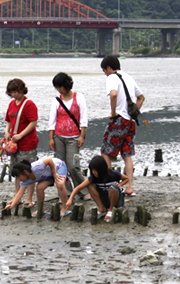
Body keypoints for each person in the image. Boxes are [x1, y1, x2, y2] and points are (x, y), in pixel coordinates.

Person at [100, 55, 145, 197]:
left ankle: (110, 183)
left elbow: (113, 94)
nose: (105, 74)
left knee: (106, 152)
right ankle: (129, 187)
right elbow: (141, 97)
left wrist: (113, 112)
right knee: (127, 154)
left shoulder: (112, 77)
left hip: (119, 120)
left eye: (104, 71)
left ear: (108, 68)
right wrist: (134, 113)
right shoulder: (128, 77)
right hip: (130, 121)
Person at [48, 72, 91, 202]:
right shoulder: (56, 100)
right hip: (59, 137)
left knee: (73, 166)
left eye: (60, 86)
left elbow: (84, 118)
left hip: (74, 137)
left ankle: (83, 190)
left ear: (66, 85)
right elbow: (52, 120)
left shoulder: (79, 97)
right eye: (56, 87)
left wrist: (82, 136)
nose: (58, 89)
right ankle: (66, 193)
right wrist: (51, 138)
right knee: (60, 167)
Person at [4, 78, 39, 207]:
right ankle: (17, 196)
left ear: (21, 90)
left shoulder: (29, 104)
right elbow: (8, 120)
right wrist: (7, 131)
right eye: (11, 93)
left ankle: (29, 198)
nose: (13, 95)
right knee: (17, 170)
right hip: (14, 144)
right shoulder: (12, 104)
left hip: (27, 143)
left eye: (15, 92)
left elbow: (33, 122)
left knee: (28, 171)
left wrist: (21, 135)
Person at [66, 156, 129, 223]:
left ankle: (111, 210)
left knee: (113, 186)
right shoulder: (93, 178)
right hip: (105, 199)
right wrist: (70, 199)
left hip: (117, 201)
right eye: (92, 170)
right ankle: (102, 208)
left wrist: (120, 184)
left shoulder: (113, 174)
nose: (94, 172)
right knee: (89, 185)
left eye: (96, 170)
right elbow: (78, 188)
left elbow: (127, 178)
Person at [5, 157, 70, 218]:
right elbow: (19, 193)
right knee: (39, 188)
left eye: (18, 176)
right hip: (47, 175)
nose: (18, 179)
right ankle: (41, 209)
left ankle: (65, 207)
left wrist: (55, 173)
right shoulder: (24, 181)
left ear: (25, 172)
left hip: (58, 167)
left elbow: (49, 160)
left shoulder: (37, 166)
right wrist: (12, 205)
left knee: (60, 184)